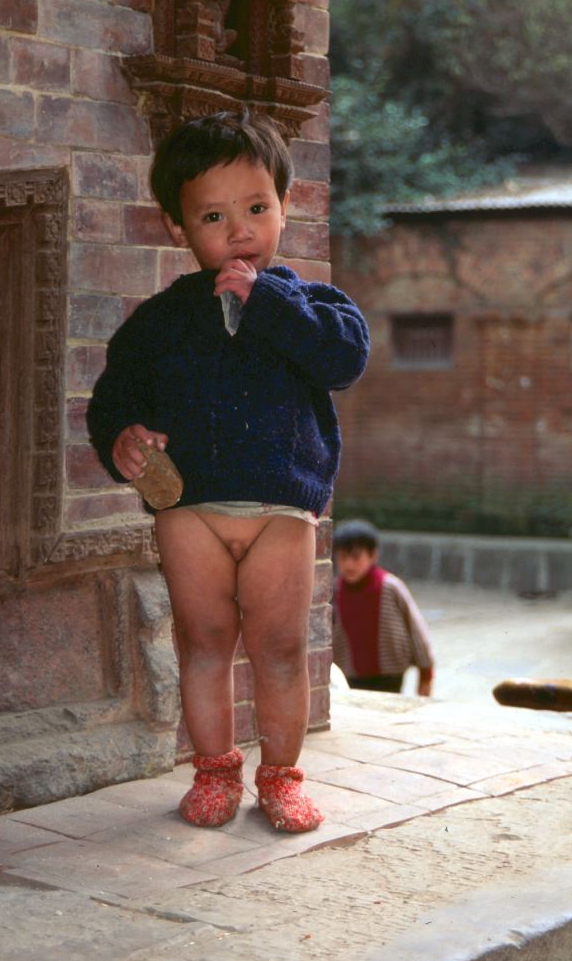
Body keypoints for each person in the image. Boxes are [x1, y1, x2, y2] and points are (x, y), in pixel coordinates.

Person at [87, 110, 369, 832]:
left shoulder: (312, 305)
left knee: (278, 647)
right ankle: (214, 771)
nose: (238, 229)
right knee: (202, 641)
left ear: (284, 205)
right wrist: (121, 438)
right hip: (191, 512)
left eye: (255, 208)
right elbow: (114, 400)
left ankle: (281, 777)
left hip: (281, 508)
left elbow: (342, 362)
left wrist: (267, 300)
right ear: (176, 228)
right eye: (213, 215)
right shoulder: (156, 323)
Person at [332, 520, 435, 696]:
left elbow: (415, 628)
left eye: (356, 557)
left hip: (390, 674)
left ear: (373, 555)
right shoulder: (334, 591)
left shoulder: (390, 587)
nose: (348, 564)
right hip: (349, 673)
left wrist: (426, 672)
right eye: (342, 557)